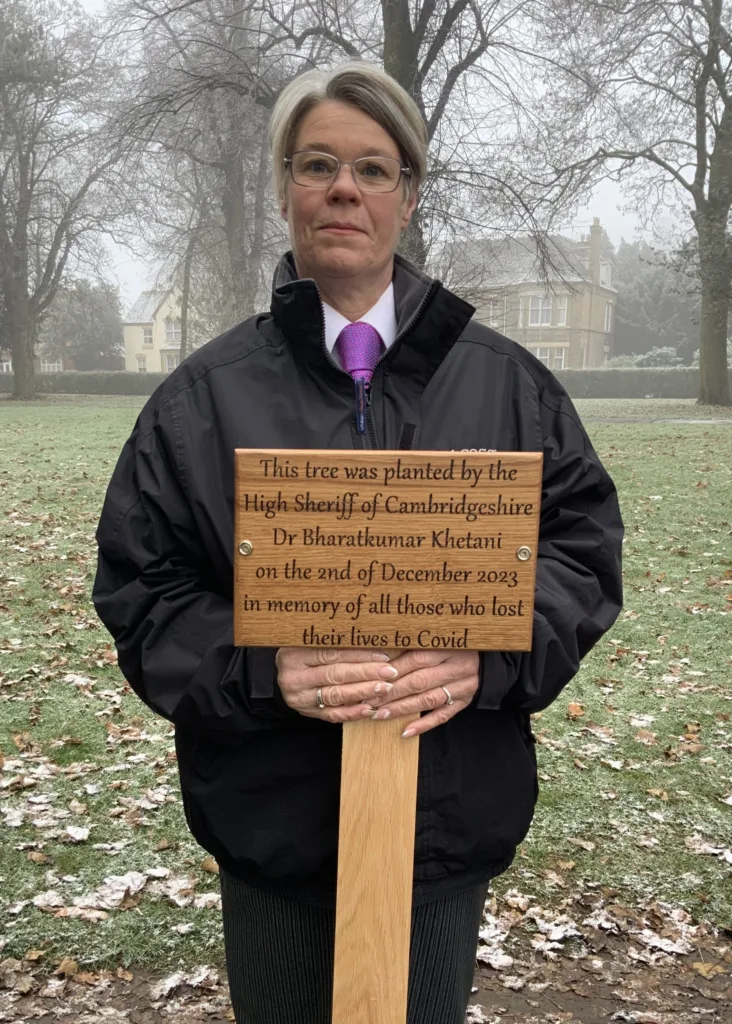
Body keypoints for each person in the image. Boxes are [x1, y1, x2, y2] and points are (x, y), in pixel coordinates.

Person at [93, 61, 623, 1024]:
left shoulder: (508, 385)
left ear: (407, 198)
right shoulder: (200, 403)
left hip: (443, 828)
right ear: (287, 188)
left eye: (373, 169)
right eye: (318, 163)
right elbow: (142, 589)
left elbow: (581, 552)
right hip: (275, 832)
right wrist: (260, 666)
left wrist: (490, 649)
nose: (345, 187)